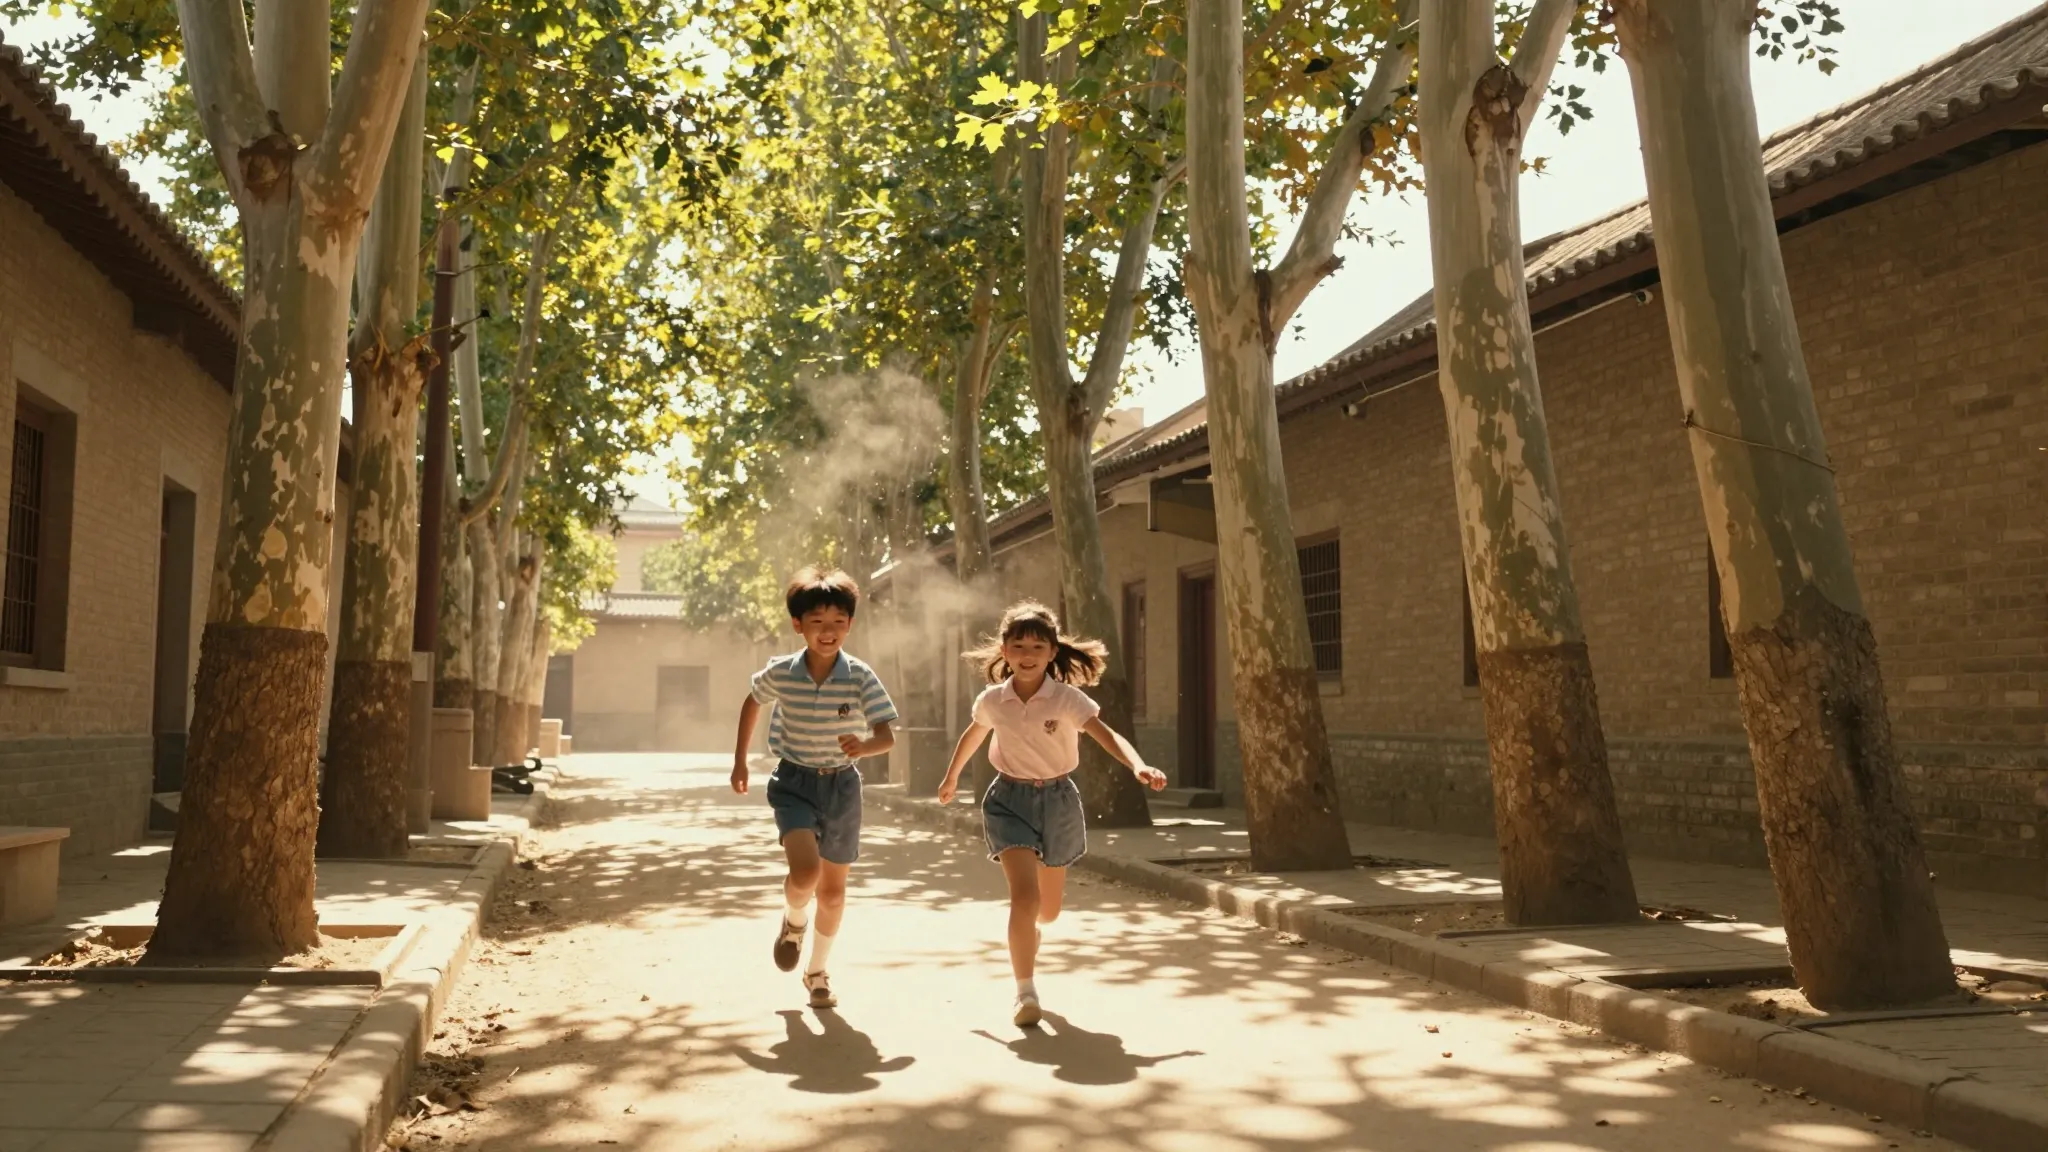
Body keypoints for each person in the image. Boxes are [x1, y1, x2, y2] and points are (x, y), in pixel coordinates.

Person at [938, 601, 1167, 1028]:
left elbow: (1106, 734)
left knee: (1048, 910)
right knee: (1023, 898)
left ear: (1052, 653)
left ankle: (1031, 931)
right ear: (1004, 651)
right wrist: (951, 776)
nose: (1027, 654)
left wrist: (1137, 764)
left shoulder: (1065, 698)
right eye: (1019, 645)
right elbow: (974, 735)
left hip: (1059, 801)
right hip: (1007, 800)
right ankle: (1025, 992)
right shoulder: (994, 699)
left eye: (1038, 646)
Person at [732, 566, 897, 1010]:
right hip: (794, 782)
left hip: (842, 787)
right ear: (798, 624)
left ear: (850, 625)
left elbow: (887, 736)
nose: (828, 632)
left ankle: (817, 972)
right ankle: (793, 921)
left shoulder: (860, 675)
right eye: (818, 623)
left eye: (838, 623)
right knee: (805, 875)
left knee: (834, 892)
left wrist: (864, 746)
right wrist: (740, 761)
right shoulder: (782, 672)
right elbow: (752, 701)